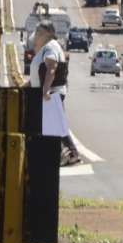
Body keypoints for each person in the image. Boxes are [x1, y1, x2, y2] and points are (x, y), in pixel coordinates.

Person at [29, 22, 81, 165]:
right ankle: (70, 153)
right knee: (56, 125)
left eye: (37, 32)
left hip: (50, 92)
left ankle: (66, 153)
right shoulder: (49, 47)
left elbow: (51, 68)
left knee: (51, 126)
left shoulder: (50, 47)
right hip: (50, 92)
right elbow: (39, 73)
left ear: (44, 33)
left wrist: (45, 89)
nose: (35, 36)